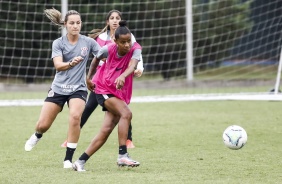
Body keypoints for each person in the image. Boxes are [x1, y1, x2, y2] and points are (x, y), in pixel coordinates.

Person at [24, 8, 101, 169]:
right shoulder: (58, 43)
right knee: (43, 125)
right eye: (72, 23)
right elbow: (58, 65)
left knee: (75, 117)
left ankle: (68, 159)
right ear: (65, 25)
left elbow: (104, 55)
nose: (75, 26)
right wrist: (71, 63)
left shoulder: (88, 42)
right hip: (58, 88)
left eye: (78, 23)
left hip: (78, 89)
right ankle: (37, 135)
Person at [60, 10, 144, 149]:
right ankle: (71, 138)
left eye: (118, 18)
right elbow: (95, 57)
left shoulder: (128, 37)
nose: (115, 20)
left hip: (119, 80)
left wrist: (139, 67)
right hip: (102, 80)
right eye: (112, 18)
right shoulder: (101, 38)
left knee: (122, 110)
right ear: (107, 21)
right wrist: (89, 77)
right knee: (91, 108)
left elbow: (136, 54)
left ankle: (128, 141)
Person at [72, 20, 141, 172]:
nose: (127, 45)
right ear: (115, 41)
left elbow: (133, 65)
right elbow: (95, 59)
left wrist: (123, 76)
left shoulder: (135, 48)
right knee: (126, 113)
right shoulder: (107, 49)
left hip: (118, 91)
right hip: (102, 88)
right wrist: (88, 79)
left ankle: (80, 161)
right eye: (123, 42)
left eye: (128, 41)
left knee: (106, 130)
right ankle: (123, 154)